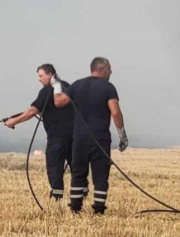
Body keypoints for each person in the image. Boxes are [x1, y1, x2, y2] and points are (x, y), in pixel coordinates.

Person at [55, 57, 128, 214]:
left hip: (79, 138)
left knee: (78, 173)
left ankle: (75, 208)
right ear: (101, 69)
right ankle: (99, 209)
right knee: (101, 174)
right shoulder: (108, 88)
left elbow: (59, 102)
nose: (111, 71)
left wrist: (56, 86)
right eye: (109, 68)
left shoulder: (77, 85)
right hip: (100, 138)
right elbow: (115, 112)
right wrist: (122, 135)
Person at [4, 64, 74, 200]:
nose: (39, 79)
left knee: (54, 169)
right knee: (77, 169)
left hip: (56, 138)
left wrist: (12, 122)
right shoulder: (67, 86)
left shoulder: (47, 91)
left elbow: (32, 111)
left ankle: (56, 199)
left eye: (41, 76)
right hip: (74, 137)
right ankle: (80, 199)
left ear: (50, 75)